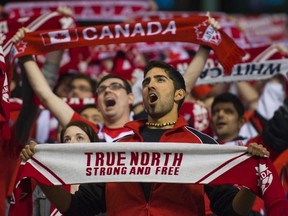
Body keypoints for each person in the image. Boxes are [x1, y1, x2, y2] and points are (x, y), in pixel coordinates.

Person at [20, 60, 270, 216]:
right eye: (147, 81)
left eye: (160, 80)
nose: (150, 85)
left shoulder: (202, 146)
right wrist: (40, 173)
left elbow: (230, 209)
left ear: (179, 94)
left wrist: (251, 181)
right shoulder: (116, 149)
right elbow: (76, 208)